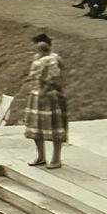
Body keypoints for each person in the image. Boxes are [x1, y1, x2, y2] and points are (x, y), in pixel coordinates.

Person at [24, 41, 67, 169]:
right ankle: (41, 157)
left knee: (54, 128)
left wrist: (47, 84)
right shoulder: (38, 60)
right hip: (37, 94)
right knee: (36, 128)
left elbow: (56, 77)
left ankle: (56, 159)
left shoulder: (53, 60)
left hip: (50, 96)